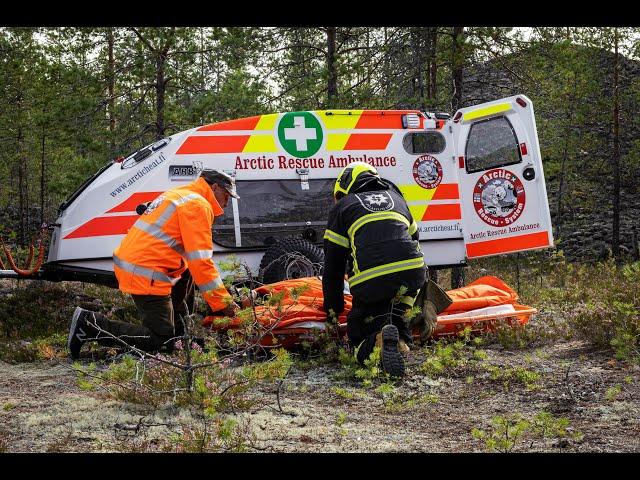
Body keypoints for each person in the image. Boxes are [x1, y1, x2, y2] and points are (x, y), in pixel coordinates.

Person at [67, 169, 240, 359]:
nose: (227, 202)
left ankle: (180, 338)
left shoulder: (181, 194)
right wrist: (225, 304)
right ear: (214, 187)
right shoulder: (198, 205)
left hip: (141, 264)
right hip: (146, 271)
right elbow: (201, 262)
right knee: (159, 339)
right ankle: (90, 324)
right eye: (226, 195)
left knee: (185, 279)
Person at [322, 162, 426, 377]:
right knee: (395, 315)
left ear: (345, 187)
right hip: (413, 276)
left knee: (358, 333)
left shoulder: (343, 207)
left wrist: (333, 312)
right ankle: (401, 340)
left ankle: (376, 342)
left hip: (372, 283)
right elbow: (414, 242)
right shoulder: (398, 199)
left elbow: (333, 269)